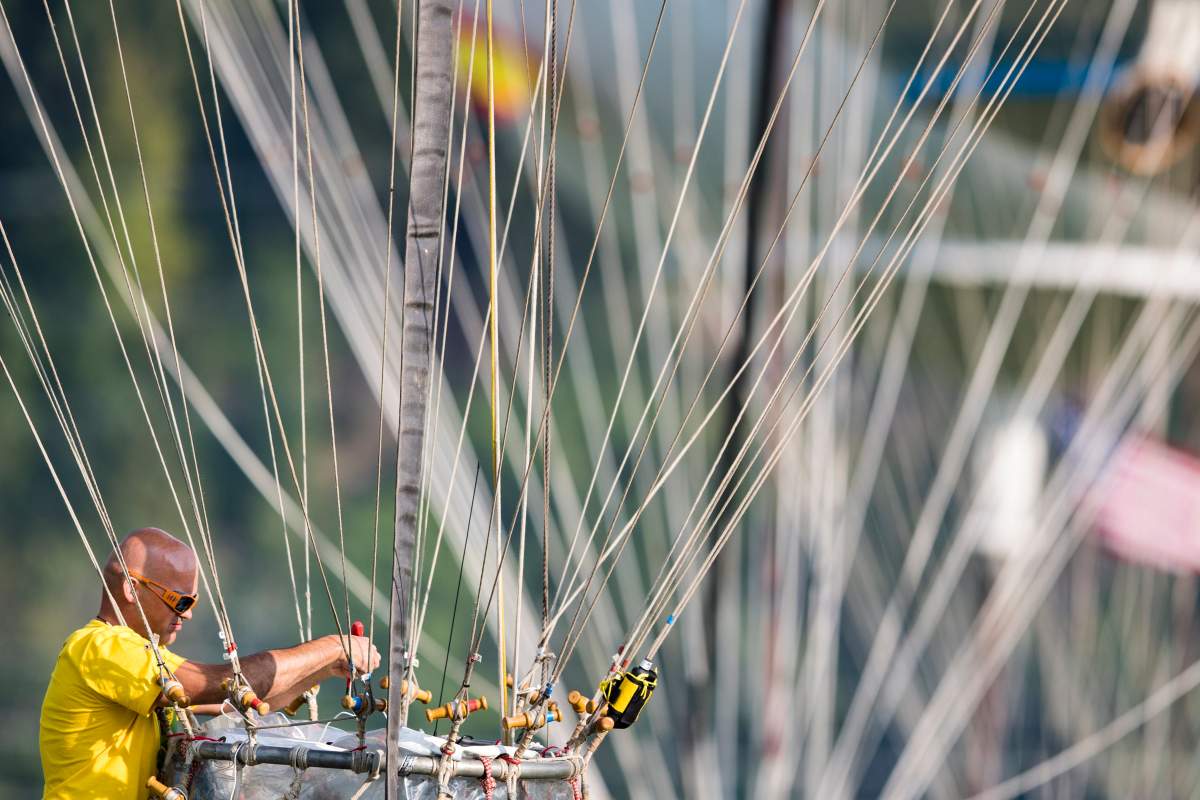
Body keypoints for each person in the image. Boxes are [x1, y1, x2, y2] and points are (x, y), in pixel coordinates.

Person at [39, 527, 379, 800]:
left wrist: (320, 668)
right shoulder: (100, 646)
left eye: (193, 600)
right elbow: (224, 682)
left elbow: (248, 704)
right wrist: (332, 647)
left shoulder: (137, 655)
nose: (187, 613)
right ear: (131, 588)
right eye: (180, 599)